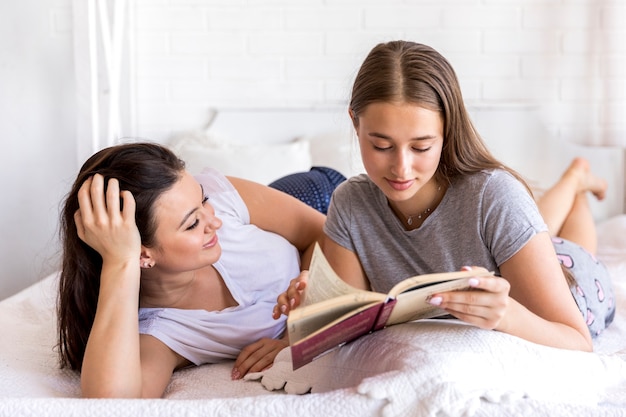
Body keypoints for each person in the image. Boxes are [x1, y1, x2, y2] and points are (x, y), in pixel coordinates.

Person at [274, 41, 615, 351]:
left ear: (447, 130)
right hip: (524, 252)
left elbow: (578, 344)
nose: (401, 169)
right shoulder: (351, 204)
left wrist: (507, 316)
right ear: (355, 124)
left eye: (421, 146)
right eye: (381, 145)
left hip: (578, 285)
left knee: (576, 250)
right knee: (542, 234)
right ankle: (575, 182)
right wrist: (307, 320)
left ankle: (575, 183)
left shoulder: (494, 195)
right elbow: (350, 327)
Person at [57, 142, 326, 398]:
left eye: (203, 200)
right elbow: (112, 403)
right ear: (142, 254)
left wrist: (301, 327)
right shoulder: (163, 331)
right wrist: (119, 261)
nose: (215, 221)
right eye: (192, 223)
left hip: (316, 196)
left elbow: (326, 234)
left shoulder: (221, 201)